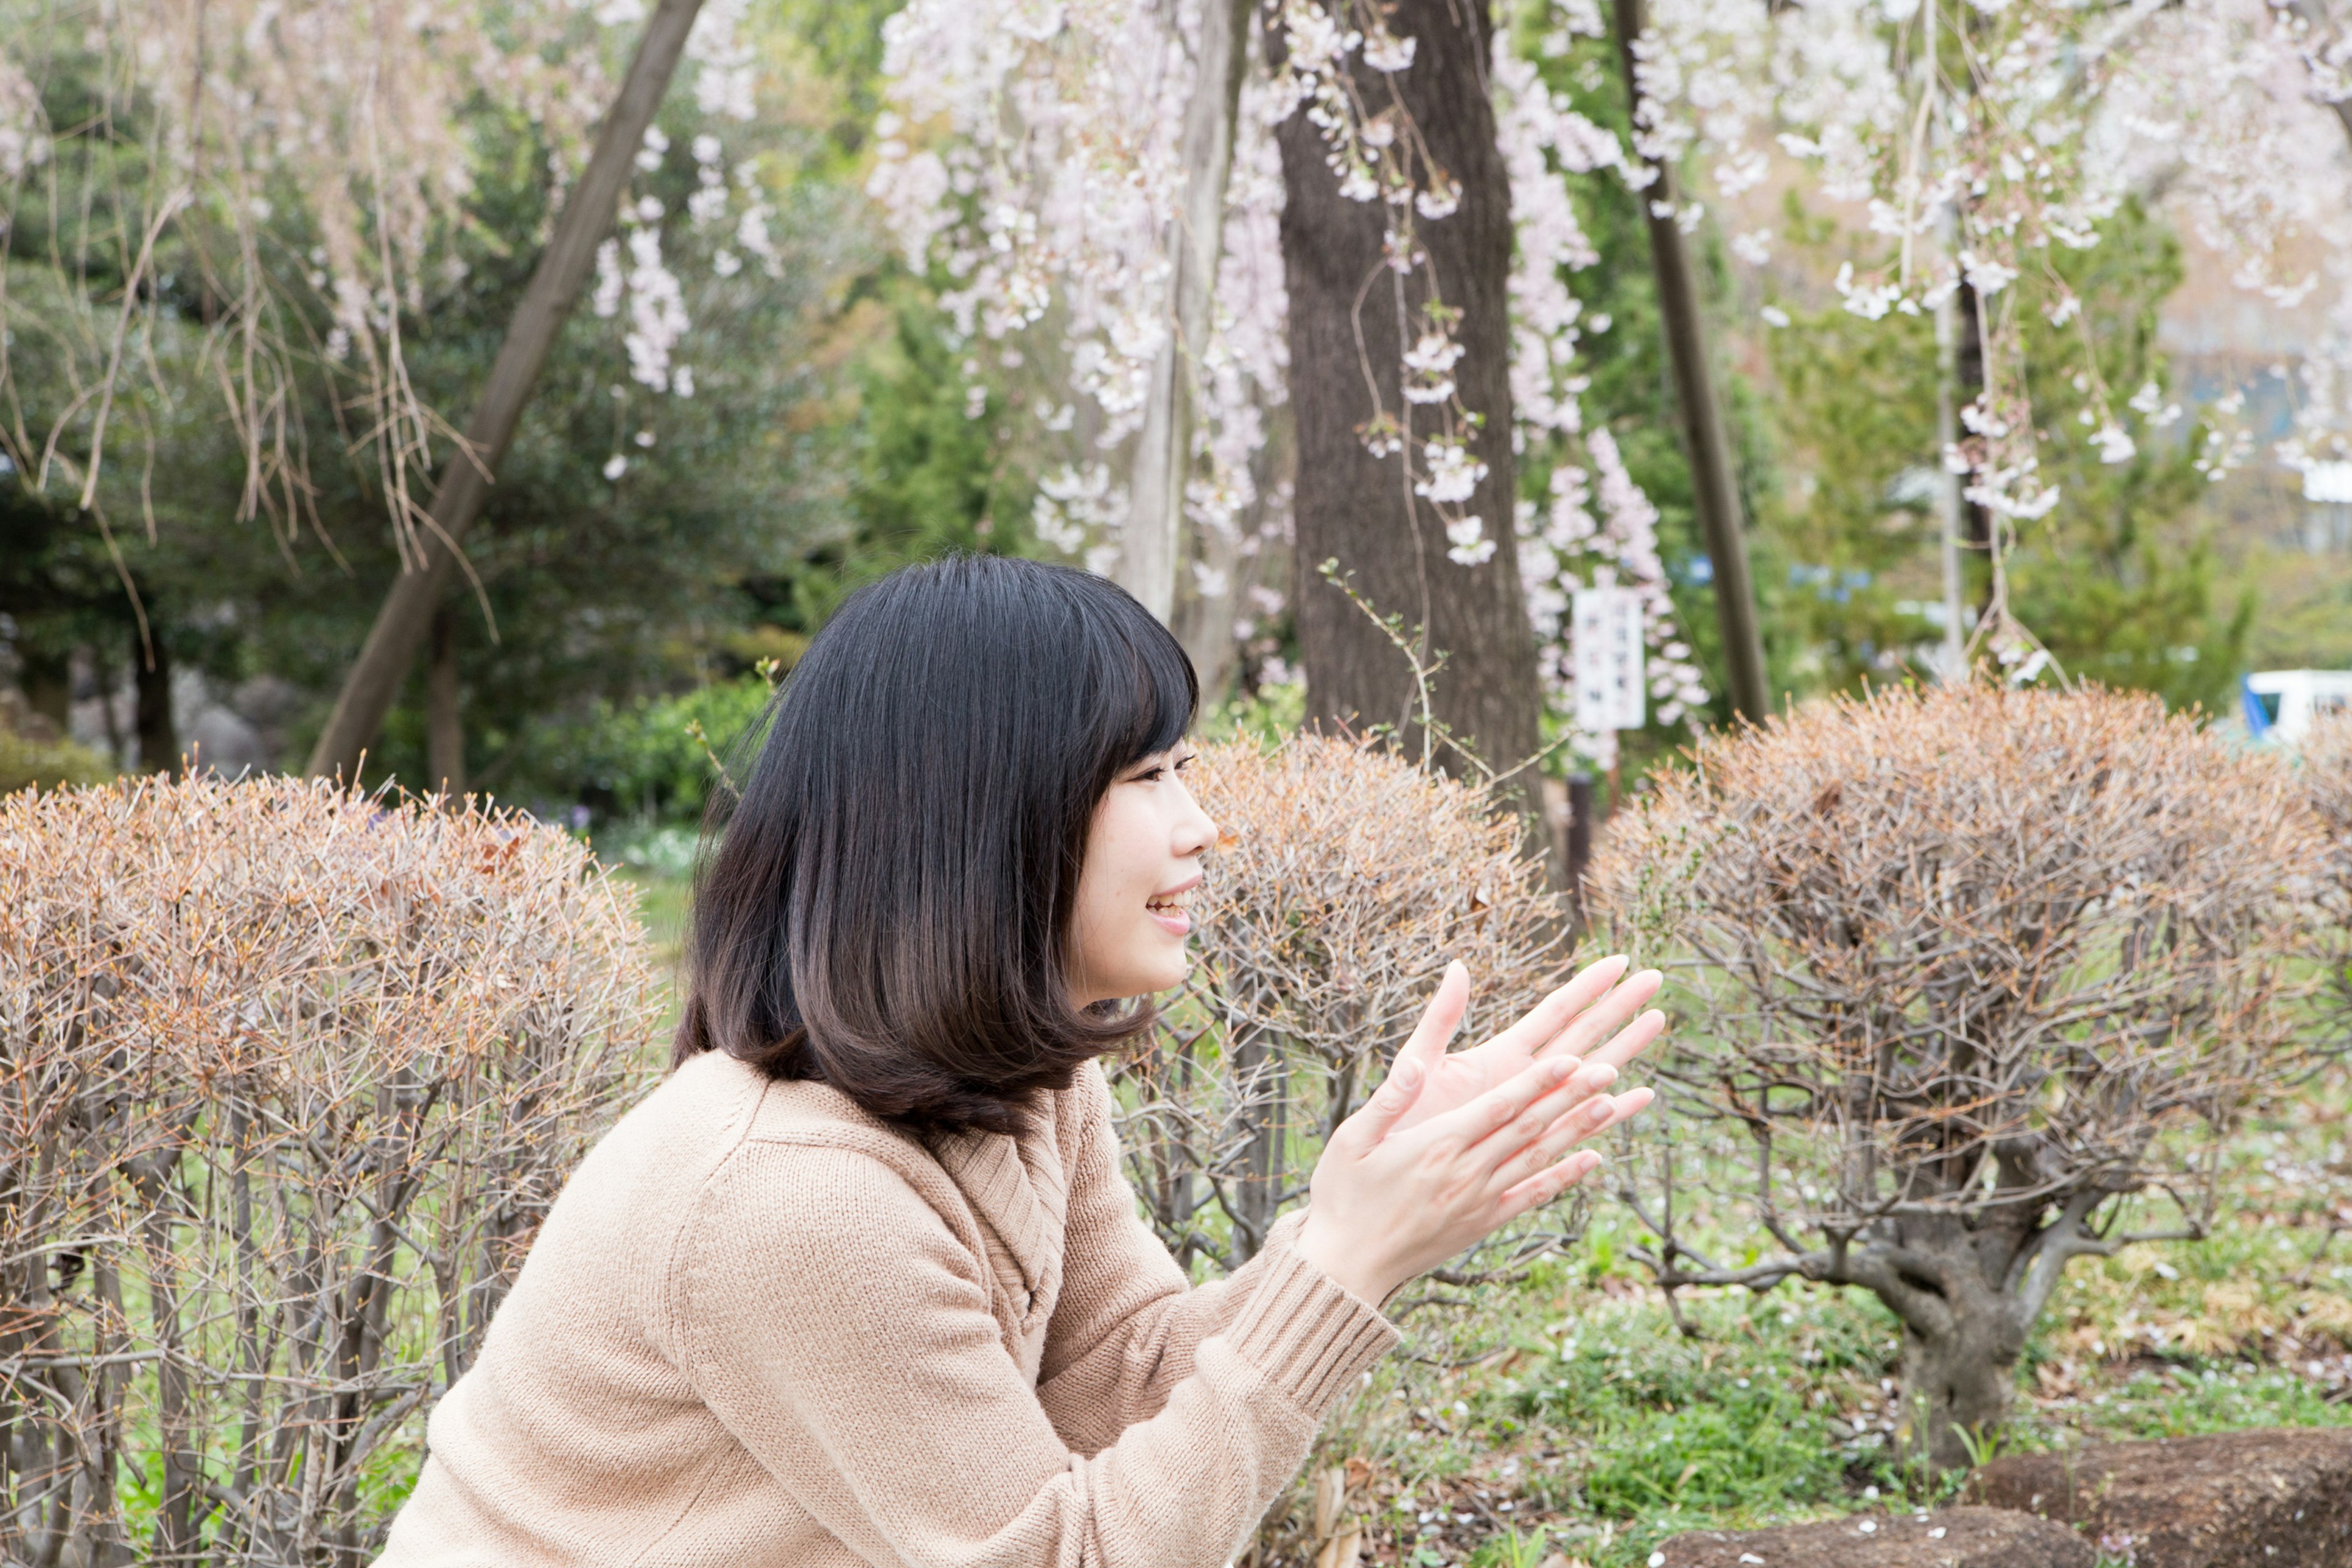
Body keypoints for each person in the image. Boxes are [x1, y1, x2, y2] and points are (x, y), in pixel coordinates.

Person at [375, 556, 1664, 1568]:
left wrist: (1360, 1209)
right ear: (991, 820)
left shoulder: (1021, 1086)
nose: (1202, 824)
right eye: (1149, 775)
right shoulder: (790, 1198)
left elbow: (1128, 1377)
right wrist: (1345, 1264)